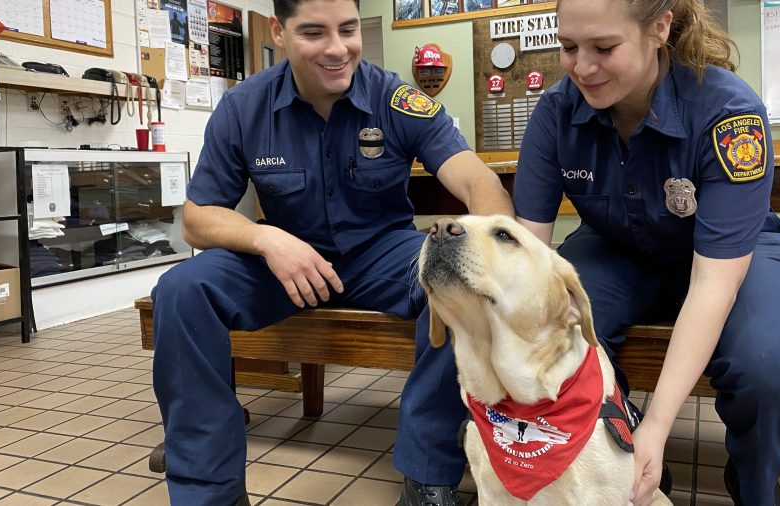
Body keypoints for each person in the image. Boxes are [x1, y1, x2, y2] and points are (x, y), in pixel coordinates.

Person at [150, 1, 512, 505]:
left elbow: (477, 180)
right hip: (282, 259)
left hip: (383, 253)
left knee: (458, 282)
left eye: (347, 30)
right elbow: (197, 217)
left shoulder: (396, 98)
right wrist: (268, 239)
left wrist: (491, 255)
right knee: (180, 290)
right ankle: (207, 490)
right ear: (278, 31)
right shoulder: (244, 106)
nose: (337, 48)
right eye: (314, 33)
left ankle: (428, 480)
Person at [513, 1, 780, 505]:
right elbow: (526, 252)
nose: (582, 67)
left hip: (733, 254)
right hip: (618, 246)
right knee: (556, 332)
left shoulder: (729, 114)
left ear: (659, 28)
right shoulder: (555, 112)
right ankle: (618, 455)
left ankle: (752, 481)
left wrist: (660, 425)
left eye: (604, 48)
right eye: (568, 47)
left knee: (767, 365)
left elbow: (712, 284)